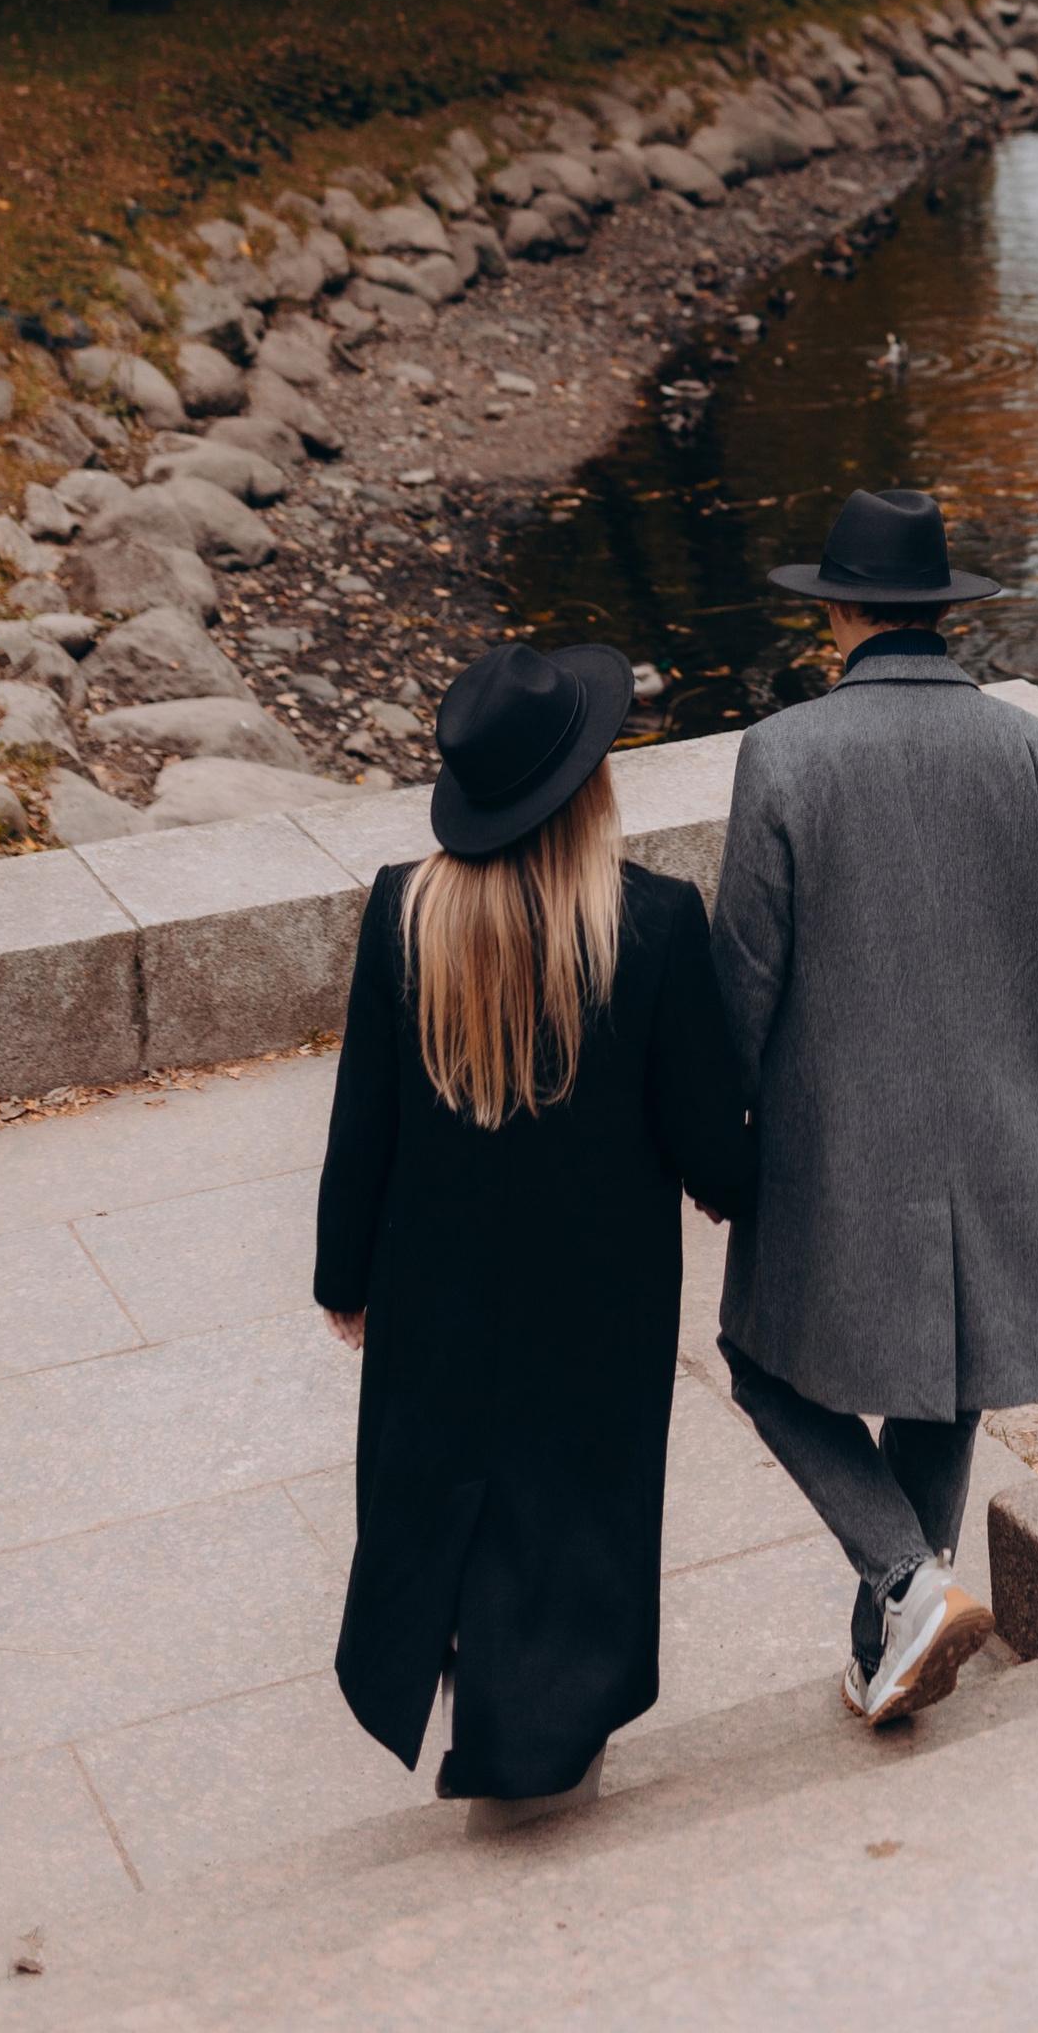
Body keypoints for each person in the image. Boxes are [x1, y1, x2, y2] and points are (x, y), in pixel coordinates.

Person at [314, 639, 754, 1829]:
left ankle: (475, 1701)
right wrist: (741, 1191)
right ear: (587, 790)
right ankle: (541, 1732)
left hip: (435, 1277)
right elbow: (710, 1132)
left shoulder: (404, 912)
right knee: (576, 1500)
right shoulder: (652, 925)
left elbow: (368, 1117)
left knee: (449, 1480)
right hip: (598, 1294)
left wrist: (343, 1272)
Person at [711, 485, 1038, 1728]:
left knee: (760, 1365)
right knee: (948, 1383)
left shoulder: (785, 755)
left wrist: (723, 1142)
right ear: (940, 618)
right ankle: (897, 1628)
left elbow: (745, 980)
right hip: (1002, 1142)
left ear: (836, 611)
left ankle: (900, 1581)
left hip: (837, 1152)